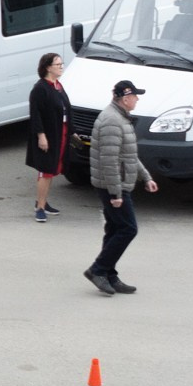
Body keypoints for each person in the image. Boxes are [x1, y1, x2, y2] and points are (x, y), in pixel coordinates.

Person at [85, 79, 158, 292]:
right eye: (135, 96)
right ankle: (98, 270)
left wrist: (146, 177)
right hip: (112, 186)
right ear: (125, 98)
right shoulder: (112, 121)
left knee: (115, 229)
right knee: (128, 229)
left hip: (116, 184)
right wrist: (115, 193)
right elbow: (109, 161)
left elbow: (128, 155)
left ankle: (109, 275)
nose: (137, 100)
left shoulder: (120, 118)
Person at [27, 52, 71, 223]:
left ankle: (43, 202)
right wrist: (41, 136)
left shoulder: (58, 85)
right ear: (47, 67)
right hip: (48, 135)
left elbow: (66, 109)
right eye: (57, 65)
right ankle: (39, 207)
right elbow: (36, 114)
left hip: (60, 133)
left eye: (61, 64)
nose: (61, 67)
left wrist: (72, 131)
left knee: (51, 170)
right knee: (45, 171)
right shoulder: (40, 89)